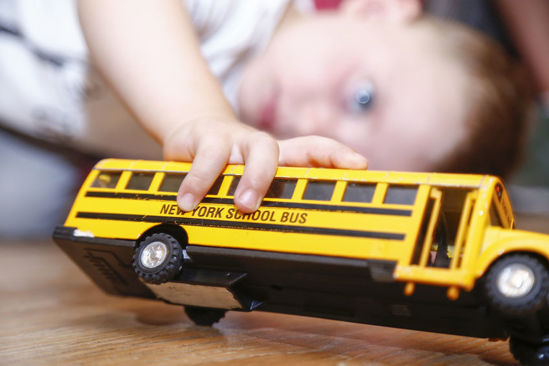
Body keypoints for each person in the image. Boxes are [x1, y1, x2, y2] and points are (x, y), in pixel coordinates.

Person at [0, 0, 532, 237]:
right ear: (376, 8)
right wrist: (197, 113)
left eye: (336, 161)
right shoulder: (248, 15)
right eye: (362, 98)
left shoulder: (237, 153)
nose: (316, 123)